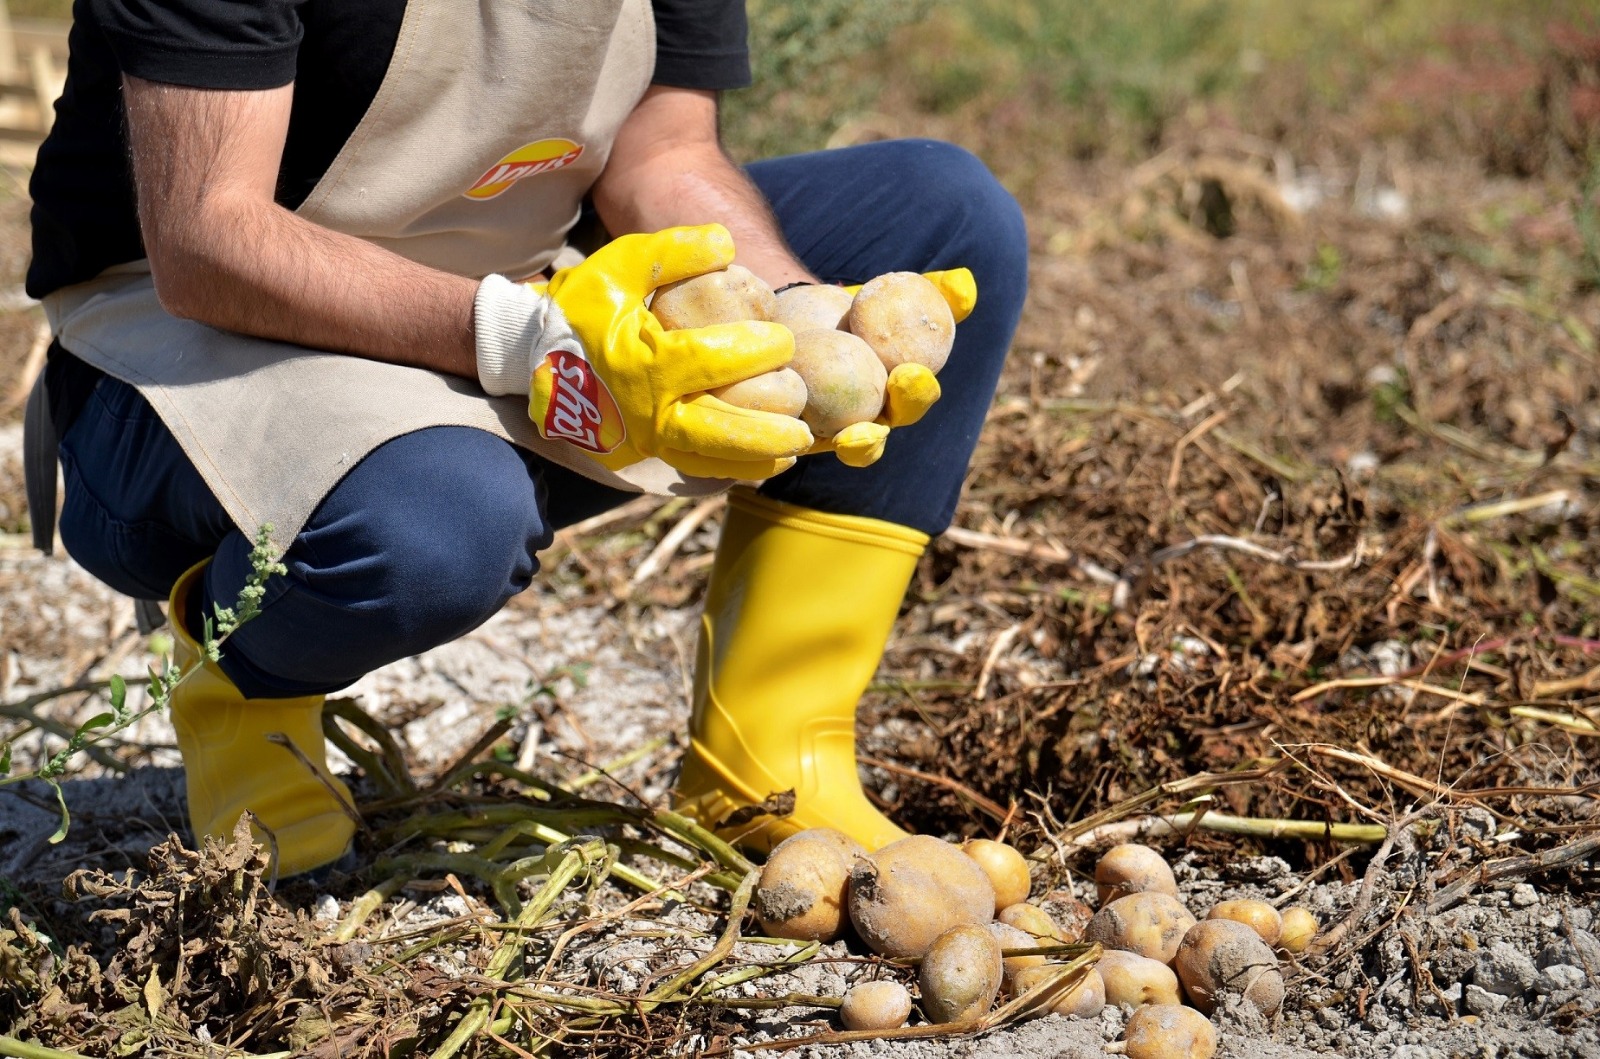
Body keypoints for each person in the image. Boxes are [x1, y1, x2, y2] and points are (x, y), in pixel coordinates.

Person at [22, 0, 1029, 877]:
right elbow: (209, 240)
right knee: (437, 529)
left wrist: (795, 316)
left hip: (514, 282)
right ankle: (245, 678)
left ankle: (765, 761)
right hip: (182, 339)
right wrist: (528, 341)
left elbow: (666, 154)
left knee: (939, 215)